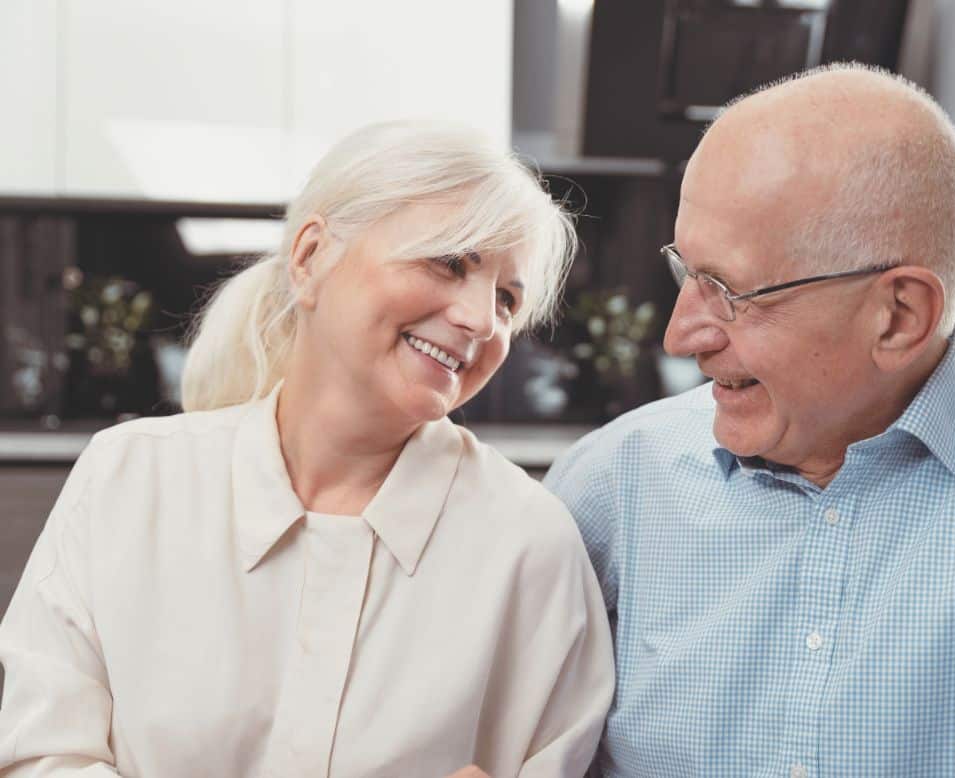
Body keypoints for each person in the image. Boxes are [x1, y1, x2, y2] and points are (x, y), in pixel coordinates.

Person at [545, 63, 955, 777]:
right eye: (687, 275)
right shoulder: (610, 482)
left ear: (898, 317)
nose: (680, 337)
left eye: (730, 292)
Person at [0, 121, 614, 777]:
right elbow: (42, 758)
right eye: (449, 260)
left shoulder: (529, 542)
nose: (478, 318)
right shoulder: (130, 476)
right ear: (310, 257)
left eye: (506, 298)